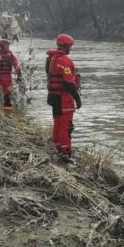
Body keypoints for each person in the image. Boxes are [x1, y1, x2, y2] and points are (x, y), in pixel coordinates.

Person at [45, 34, 82, 163]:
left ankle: (58, 147)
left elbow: (50, 76)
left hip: (54, 96)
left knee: (58, 123)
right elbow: (68, 83)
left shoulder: (51, 58)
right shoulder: (64, 60)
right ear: (65, 45)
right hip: (63, 97)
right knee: (66, 126)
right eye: (70, 46)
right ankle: (66, 153)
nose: (70, 49)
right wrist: (77, 98)